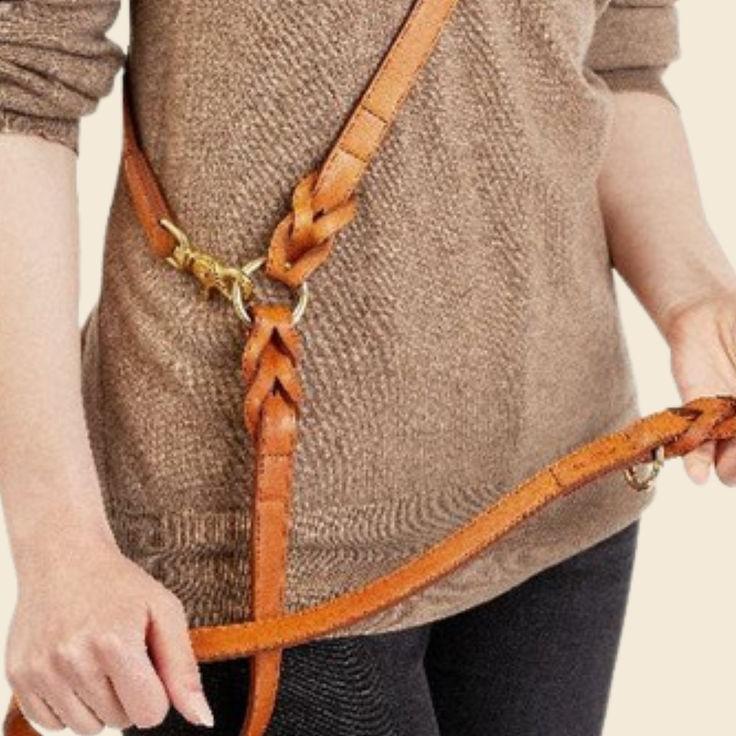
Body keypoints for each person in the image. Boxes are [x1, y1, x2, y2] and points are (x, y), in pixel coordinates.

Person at [1, 1, 735, 734]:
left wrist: (696, 296)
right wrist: (58, 544)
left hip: (567, 490)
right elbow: (21, 85)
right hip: (268, 533)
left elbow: (616, 58)